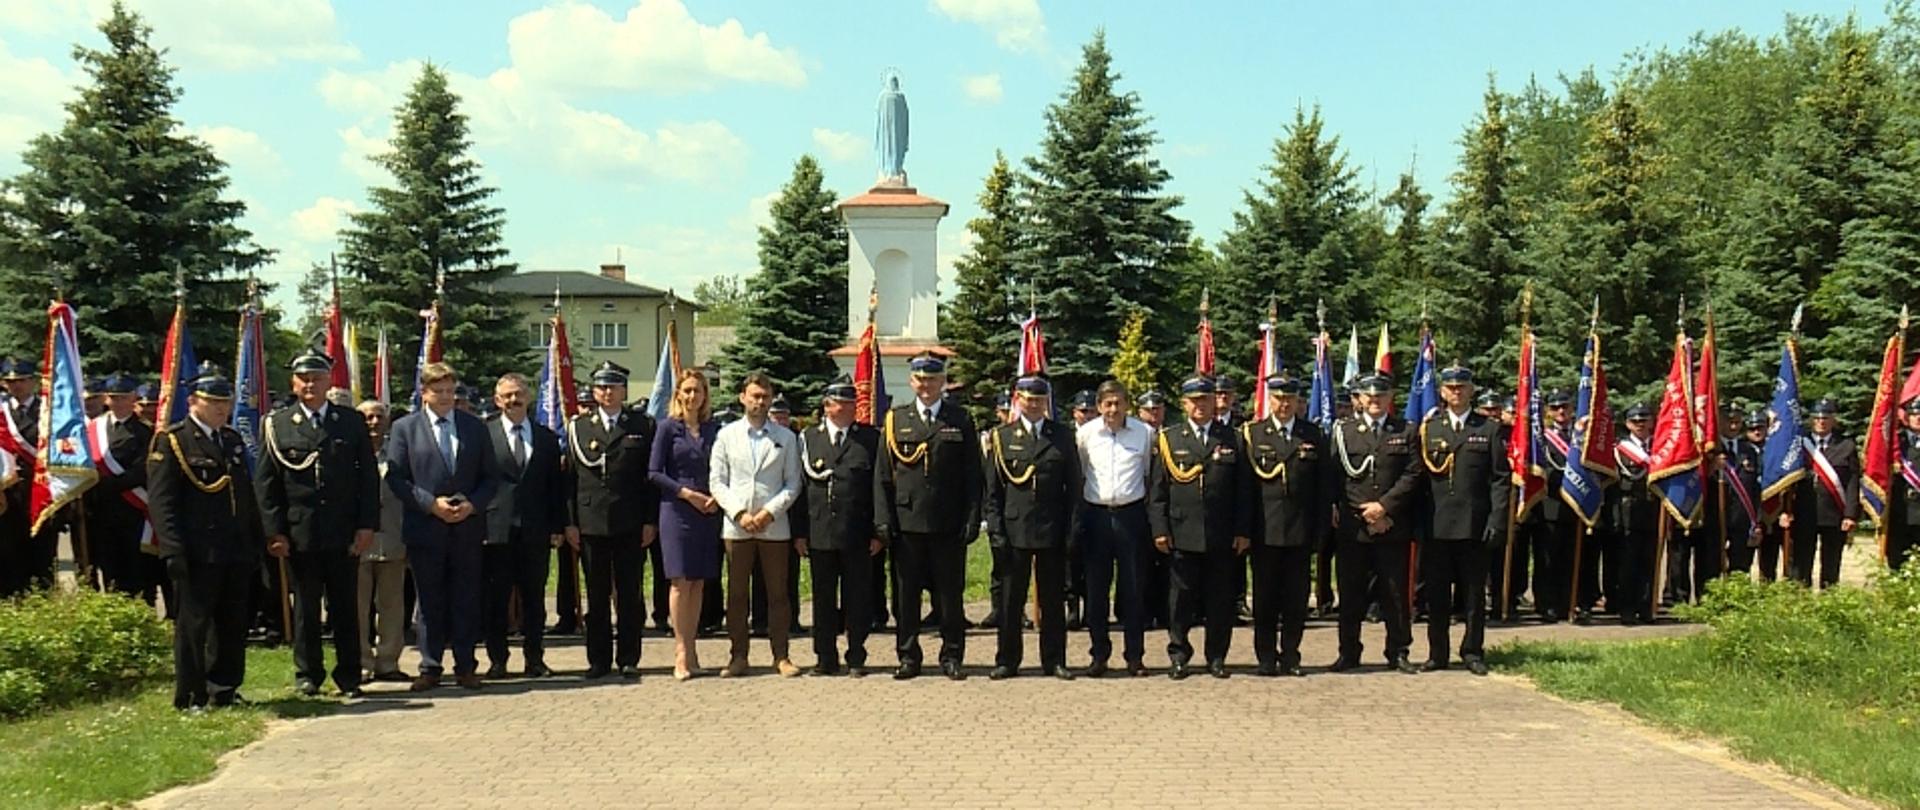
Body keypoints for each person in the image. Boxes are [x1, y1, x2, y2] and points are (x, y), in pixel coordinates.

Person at [255, 350, 380, 698]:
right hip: (299, 534)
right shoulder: (277, 424)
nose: (310, 384)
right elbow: (267, 484)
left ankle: (349, 675)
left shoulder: (350, 421)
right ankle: (307, 675)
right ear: (294, 384)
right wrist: (274, 531)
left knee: (345, 609)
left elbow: (368, 479)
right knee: (306, 611)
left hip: (343, 533)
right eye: (304, 379)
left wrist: (367, 525)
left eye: (317, 378)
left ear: (329, 382)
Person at [148, 363, 266, 710]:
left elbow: (244, 495)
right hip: (197, 550)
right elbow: (163, 501)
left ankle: (224, 687)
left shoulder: (229, 439)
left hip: (234, 549)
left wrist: (255, 540)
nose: (221, 408)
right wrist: (172, 550)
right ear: (193, 401)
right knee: (193, 627)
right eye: (213, 401)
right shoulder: (172, 440)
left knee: (232, 624)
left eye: (226, 401)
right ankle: (190, 694)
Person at [386, 362, 501, 691]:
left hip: (466, 528)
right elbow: (397, 478)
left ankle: (465, 665)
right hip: (426, 528)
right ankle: (431, 666)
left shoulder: (474, 427)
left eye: (451, 391)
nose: (446, 397)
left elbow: (490, 477)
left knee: (465, 597)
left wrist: (471, 505)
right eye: (439, 391)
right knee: (430, 600)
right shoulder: (405, 428)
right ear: (424, 393)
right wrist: (429, 504)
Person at [881, 353, 982, 680]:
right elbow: (883, 476)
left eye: (933, 379)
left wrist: (971, 517)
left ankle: (952, 655)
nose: (926, 386)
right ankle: (909, 656)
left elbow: (972, 474)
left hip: (948, 523)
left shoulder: (960, 419)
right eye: (920, 379)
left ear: (943, 382)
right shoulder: (896, 420)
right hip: (907, 523)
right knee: (905, 597)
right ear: (912, 382)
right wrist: (883, 519)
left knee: (950, 596)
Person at [1149, 375, 1253, 680]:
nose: (1200, 406)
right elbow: (1158, 491)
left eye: (1205, 399)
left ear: (1214, 402)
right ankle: (1179, 654)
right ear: (1184, 404)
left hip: (1221, 534)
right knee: (1180, 600)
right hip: (1181, 533)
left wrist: (1243, 530)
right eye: (1194, 401)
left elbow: (1243, 491)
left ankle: (1217, 656)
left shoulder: (1233, 438)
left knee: (1220, 600)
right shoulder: (1170, 439)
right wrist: (1159, 529)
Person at [983, 376, 1081, 681]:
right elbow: (993, 492)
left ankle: (1054, 660)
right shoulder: (1001, 437)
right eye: (1028, 399)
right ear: (1017, 400)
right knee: (1011, 602)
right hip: (1014, 531)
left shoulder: (1062, 437)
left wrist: (1071, 531)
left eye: (1040, 399)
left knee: (1052, 601)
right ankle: (1007, 660)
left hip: (1051, 528)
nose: (1034, 404)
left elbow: (1074, 489)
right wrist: (997, 532)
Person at [793, 376, 892, 676]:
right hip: (820, 531)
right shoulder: (809, 438)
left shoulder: (869, 439)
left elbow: (879, 487)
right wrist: (799, 532)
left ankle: (857, 655)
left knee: (857, 597)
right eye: (842, 403)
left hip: (857, 533)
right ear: (827, 406)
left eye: (852, 403)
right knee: (823, 598)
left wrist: (878, 530)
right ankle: (825, 657)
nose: (849, 408)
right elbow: (799, 489)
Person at [567, 361, 659, 680]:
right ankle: (598, 659)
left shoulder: (642, 425)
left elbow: (649, 479)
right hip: (591, 522)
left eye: (613, 387)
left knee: (630, 593)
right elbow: (570, 480)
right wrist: (571, 523)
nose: (607, 393)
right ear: (594, 392)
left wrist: (650, 520)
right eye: (602, 387)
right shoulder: (578, 427)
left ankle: (629, 657)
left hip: (630, 522)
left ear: (624, 391)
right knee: (596, 594)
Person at [710, 371, 805, 677]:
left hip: (773, 527)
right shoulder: (726, 435)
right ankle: (738, 655)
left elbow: (793, 483)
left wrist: (769, 512)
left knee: (778, 594)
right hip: (737, 527)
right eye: (754, 396)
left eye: (765, 397)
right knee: (737, 594)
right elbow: (717, 481)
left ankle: (781, 656)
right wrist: (739, 513)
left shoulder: (787, 438)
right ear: (743, 398)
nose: (759, 401)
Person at [1415, 365, 1507, 675]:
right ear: (1442, 392)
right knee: (1436, 595)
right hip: (1436, 525)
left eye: (1462, 387)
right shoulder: (1430, 429)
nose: (1456, 392)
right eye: (1450, 387)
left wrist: (1498, 520)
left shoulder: (1488, 429)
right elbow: (1418, 480)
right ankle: (1437, 653)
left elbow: (1500, 480)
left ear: (1471, 391)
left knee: (1473, 595)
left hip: (1474, 525)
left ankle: (1472, 651)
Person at [1330, 373, 1422, 674]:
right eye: (1368, 396)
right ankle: (1349, 652)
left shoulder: (1406, 431)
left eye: (1380, 396)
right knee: (1351, 594)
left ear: (1390, 398)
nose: (1374, 401)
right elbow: (1335, 479)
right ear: (1358, 399)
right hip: (1354, 529)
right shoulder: (1344, 432)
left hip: (1391, 525)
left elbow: (1412, 474)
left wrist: (1384, 507)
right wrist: (1362, 513)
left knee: (1395, 595)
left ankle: (1398, 651)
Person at [1241, 374, 1331, 677]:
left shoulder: (1313, 434)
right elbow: (1246, 491)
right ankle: (1265, 657)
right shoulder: (1253, 434)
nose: (1284, 404)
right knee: (1265, 600)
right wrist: (1244, 530)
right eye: (1278, 398)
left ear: (1298, 401)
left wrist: (1320, 532)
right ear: (1270, 399)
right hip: (1264, 531)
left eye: (1289, 398)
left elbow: (1322, 489)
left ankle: (1291, 655)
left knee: (1296, 600)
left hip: (1300, 531)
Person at [481, 373, 568, 679]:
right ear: (497, 400)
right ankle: (498, 660)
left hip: (535, 529)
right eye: (507, 396)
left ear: (528, 397)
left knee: (534, 599)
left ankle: (535, 659)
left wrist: (557, 526)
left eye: (518, 394)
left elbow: (555, 487)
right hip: (495, 529)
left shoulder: (546, 437)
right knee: (496, 599)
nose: (513, 400)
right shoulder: (484, 434)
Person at [648, 369, 723, 680]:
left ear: (705, 395)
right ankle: (680, 650)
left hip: (708, 510)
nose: (693, 396)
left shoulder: (713, 429)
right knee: (679, 581)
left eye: (698, 391)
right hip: (677, 510)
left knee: (698, 581)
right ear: (678, 394)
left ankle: (693, 648)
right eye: (687, 390)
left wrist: (717, 496)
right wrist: (685, 493)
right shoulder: (667, 428)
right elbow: (653, 471)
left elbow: (724, 467)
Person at [1077, 380, 1154, 677]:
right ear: (1098, 406)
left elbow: (1147, 474)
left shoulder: (1144, 434)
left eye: (1118, 403)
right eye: (1107, 404)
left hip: (1131, 516)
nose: (1112, 409)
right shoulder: (1085, 435)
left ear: (1127, 405)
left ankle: (1134, 656)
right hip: (1096, 516)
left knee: (1133, 589)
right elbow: (1082, 474)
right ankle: (1099, 655)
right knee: (1096, 590)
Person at [86, 372, 156, 599]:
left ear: (134, 398)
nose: (119, 402)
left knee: (136, 567)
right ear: (107, 399)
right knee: (109, 565)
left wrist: (110, 483)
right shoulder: (94, 429)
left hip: (134, 510)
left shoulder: (146, 431)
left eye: (124, 397)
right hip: (102, 509)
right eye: (114, 397)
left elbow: (143, 468)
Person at [355, 400, 410, 683]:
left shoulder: (400, 453)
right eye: (367, 417)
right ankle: (362, 663)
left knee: (392, 606)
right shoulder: (350, 452)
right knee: (358, 607)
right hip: (358, 542)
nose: (373, 422)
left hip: (393, 537)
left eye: (378, 417)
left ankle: (388, 663)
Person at [1788, 398, 1858, 589]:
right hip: (1803, 513)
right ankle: (1800, 603)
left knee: (1831, 563)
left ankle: (1828, 604)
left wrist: (1850, 514)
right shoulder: (1799, 444)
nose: (1821, 421)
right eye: (1817, 417)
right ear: (1812, 420)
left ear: (1833, 420)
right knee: (1801, 562)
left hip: (1834, 514)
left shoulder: (1846, 446)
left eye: (1826, 417)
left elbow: (1852, 482)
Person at [752, 396, 807, 638]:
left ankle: (791, 620)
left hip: (790, 516)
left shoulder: (797, 441)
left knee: (789, 574)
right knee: (759, 574)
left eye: (785, 416)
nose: (781, 420)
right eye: (776, 416)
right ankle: (760, 620)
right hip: (758, 515)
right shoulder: (763, 438)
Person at [1609, 403, 1660, 625]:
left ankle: (1647, 606)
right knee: (1628, 563)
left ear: (1651, 422)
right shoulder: (1620, 449)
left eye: (1644, 420)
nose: (1640, 425)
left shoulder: (1660, 447)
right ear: (1628, 423)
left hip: (1653, 510)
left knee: (1649, 561)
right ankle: (1627, 608)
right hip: (1629, 510)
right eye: (1635, 421)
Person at [1886, 399, 1920, 572]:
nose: (1917, 418)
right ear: (1906, 417)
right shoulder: (1894, 443)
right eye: (1913, 414)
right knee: (1897, 563)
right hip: (1899, 514)